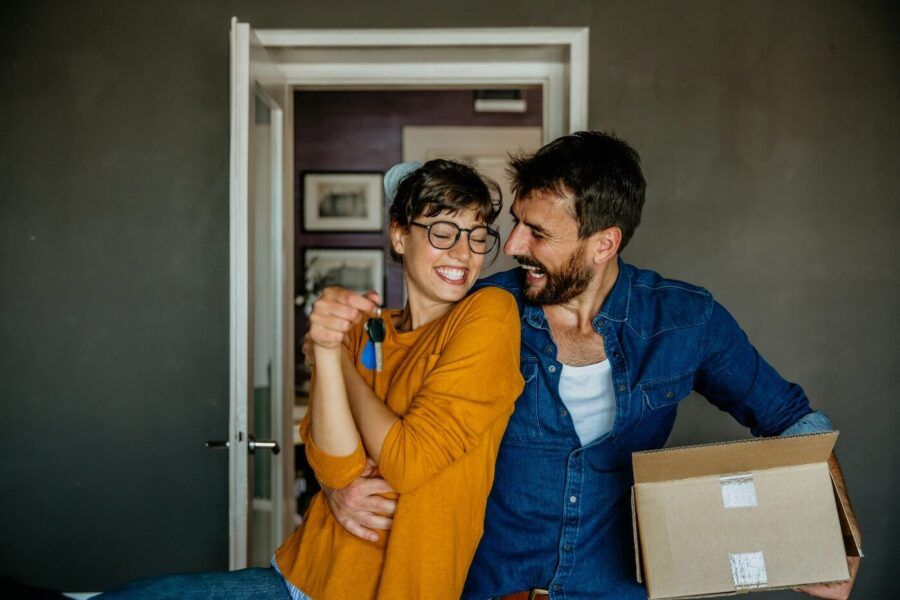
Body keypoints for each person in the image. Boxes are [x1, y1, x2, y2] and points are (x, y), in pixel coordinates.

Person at [322, 133, 860, 600]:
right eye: (515, 224)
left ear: (604, 244)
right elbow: (387, 408)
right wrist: (335, 487)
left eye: (538, 233)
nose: (510, 246)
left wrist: (837, 536)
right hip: (494, 591)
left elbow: (790, 417)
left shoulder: (685, 319)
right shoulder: (483, 313)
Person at [101, 159, 524, 599]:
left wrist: (336, 359)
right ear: (400, 235)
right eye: (442, 231)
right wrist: (326, 347)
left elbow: (407, 461)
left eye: (477, 236)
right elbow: (336, 466)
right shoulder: (365, 328)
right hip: (300, 579)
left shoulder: (489, 315)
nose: (463, 253)